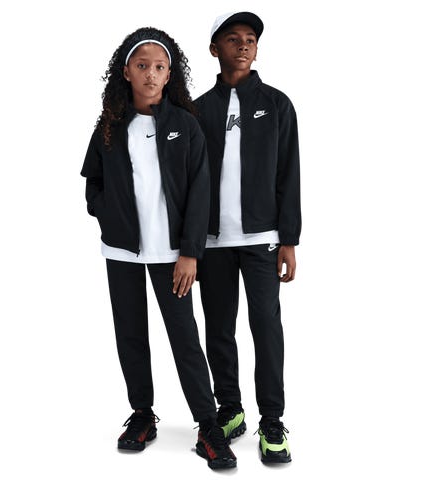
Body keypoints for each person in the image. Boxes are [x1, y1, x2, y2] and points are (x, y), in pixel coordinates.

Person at [80, 27, 236, 469]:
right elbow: (93, 182)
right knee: (130, 335)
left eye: (160, 66)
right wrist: (108, 216)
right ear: (126, 72)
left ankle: (207, 425)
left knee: (185, 338)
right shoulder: (109, 127)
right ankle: (143, 415)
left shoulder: (185, 126)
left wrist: (190, 252)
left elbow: (201, 192)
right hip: (122, 252)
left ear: (170, 75)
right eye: (142, 65)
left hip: (172, 255)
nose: (151, 73)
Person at [195, 12, 301, 463]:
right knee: (219, 327)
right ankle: (231, 408)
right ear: (214, 49)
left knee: (266, 327)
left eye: (251, 39)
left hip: (263, 239)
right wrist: (190, 243)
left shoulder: (277, 104)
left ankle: (272, 420)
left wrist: (289, 239)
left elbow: (289, 173)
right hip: (212, 242)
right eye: (233, 39)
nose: (243, 45)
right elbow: (188, 182)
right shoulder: (198, 110)